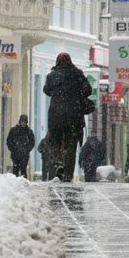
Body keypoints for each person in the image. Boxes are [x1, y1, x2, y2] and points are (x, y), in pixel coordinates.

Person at [43, 52, 91, 182]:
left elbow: (46, 90)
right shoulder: (78, 74)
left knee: (54, 141)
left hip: (56, 115)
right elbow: (88, 90)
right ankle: (68, 174)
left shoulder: (52, 75)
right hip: (74, 116)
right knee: (71, 145)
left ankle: (58, 163)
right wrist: (77, 93)